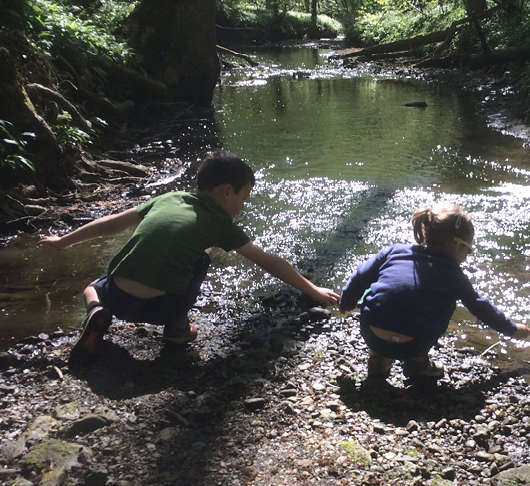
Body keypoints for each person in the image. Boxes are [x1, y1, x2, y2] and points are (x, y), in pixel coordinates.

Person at [40, 150, 340, 362]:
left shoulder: (167, 198)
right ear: (226, 191)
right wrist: (313, 290)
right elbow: (270, 262)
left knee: (92, 286)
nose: (244, 206)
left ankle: (96, 311)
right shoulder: (219, 223)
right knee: (203, 254)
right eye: (244, 197)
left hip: (117, 299)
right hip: (161, 309)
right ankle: (177, 327)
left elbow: (111, 224)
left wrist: (64, 241)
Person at [339, 202, 530, 382]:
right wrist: (511, 329)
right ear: (457, 245)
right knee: (434, 305)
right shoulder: (453, 273)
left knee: (388, 299)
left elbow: (361, 276)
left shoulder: (395, 250)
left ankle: (378, 358)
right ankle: (418, 363)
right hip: (414, 344)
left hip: (371, 332)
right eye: (468, 250)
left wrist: (346, 302)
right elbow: (479, 307)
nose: (467, 256)